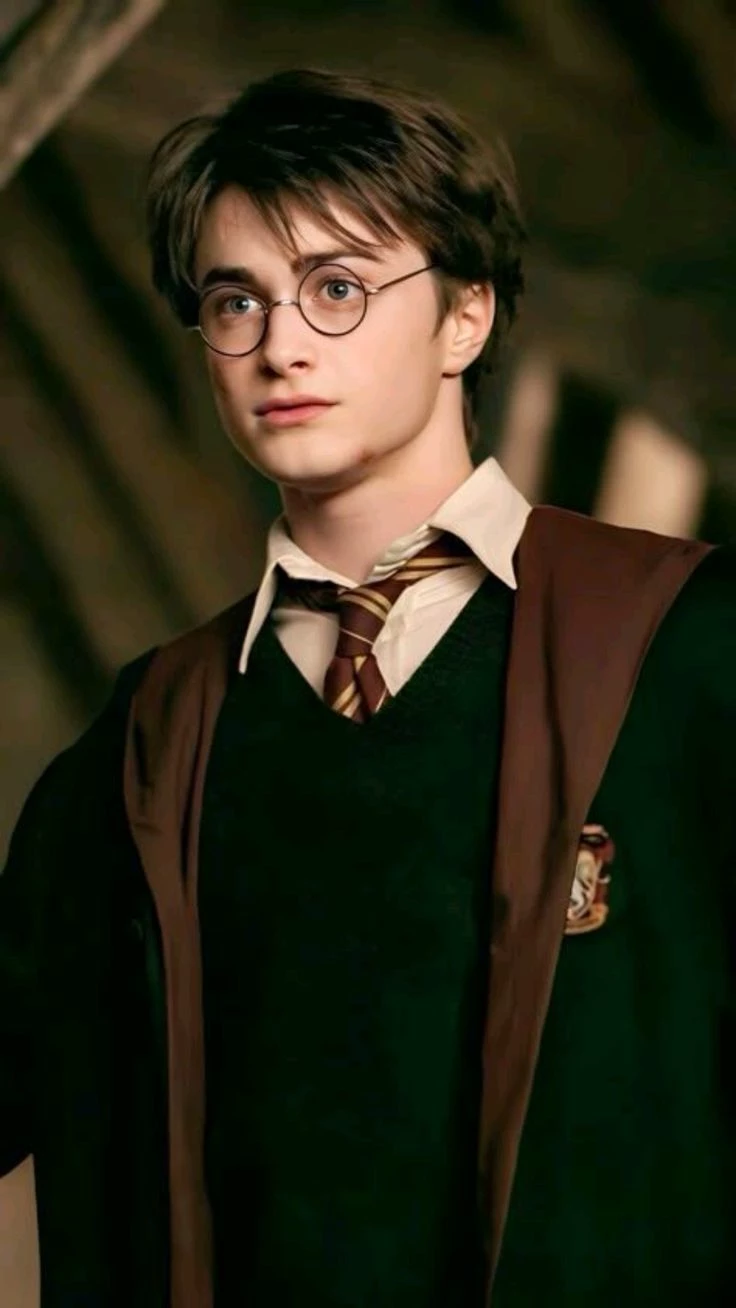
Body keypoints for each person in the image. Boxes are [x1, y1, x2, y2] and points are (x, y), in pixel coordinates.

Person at [1, 66, 734, 1308]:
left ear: (466, 318)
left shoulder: (688, 649)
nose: (279, 344)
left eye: (337, 287)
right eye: (235, 300)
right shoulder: (149, 741)